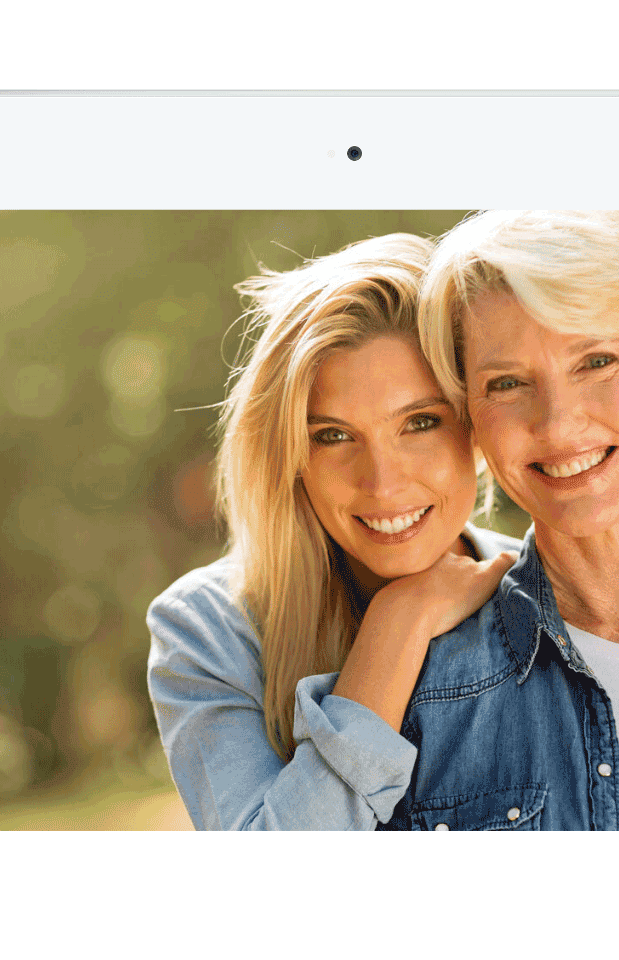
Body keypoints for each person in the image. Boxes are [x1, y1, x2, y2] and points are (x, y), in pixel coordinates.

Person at [378, 210, 619, 831]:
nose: (559, 424)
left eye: (597, 362)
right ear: (470, 417)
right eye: (507, 383)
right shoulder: (409, 696)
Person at [146, 233, 518, 830]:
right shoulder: (210, 630)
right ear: (292, 454)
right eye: (333, 436)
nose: (383, 484)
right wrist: (398, 628)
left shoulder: (552, 596)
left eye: (420, 423)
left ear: (477, 429)